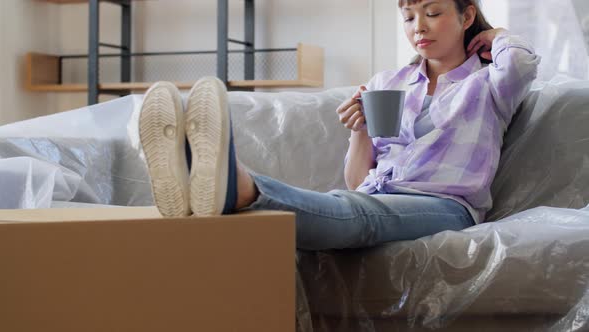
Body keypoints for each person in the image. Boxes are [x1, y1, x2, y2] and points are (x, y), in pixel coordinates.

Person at [138, 0, 540, 251]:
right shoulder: (389, 83)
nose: (419, 26)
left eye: (433, 13)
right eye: (408, 16)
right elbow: (356, 182)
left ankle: (236, 184)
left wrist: (497, 34)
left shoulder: (488, 84)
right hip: (380, 195)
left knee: (358, 214)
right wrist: (359, 129)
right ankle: (205, 179)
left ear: (466, 14)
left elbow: (522, 62)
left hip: (448, 206)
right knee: (349, 205)